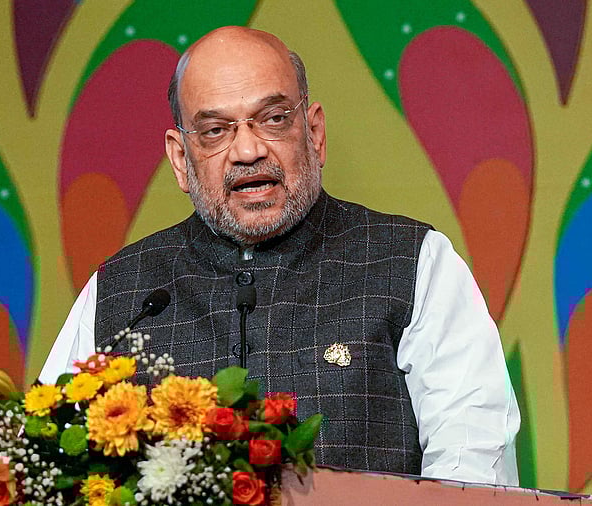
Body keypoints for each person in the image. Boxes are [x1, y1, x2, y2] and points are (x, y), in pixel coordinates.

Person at [41, 26, 520, 485]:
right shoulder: (122, 290)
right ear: (181, 160)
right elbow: (47, 460)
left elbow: (472, 465)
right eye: (214, 131)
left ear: (314, 133)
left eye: (273, 119)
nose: (247, 150)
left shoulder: (411, 262)